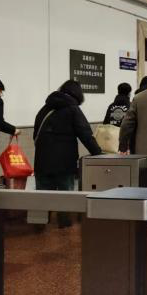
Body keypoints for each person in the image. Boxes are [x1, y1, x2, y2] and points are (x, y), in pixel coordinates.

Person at [33, 80, 102, 226]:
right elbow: (85, 133)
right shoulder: (73, 109)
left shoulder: (45, 108)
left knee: (42, 194)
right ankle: (64, 222)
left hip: (42, 159)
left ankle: (39, 222)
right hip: (64, 161)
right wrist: (97, 153)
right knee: (65, 194)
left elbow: (36, 134)